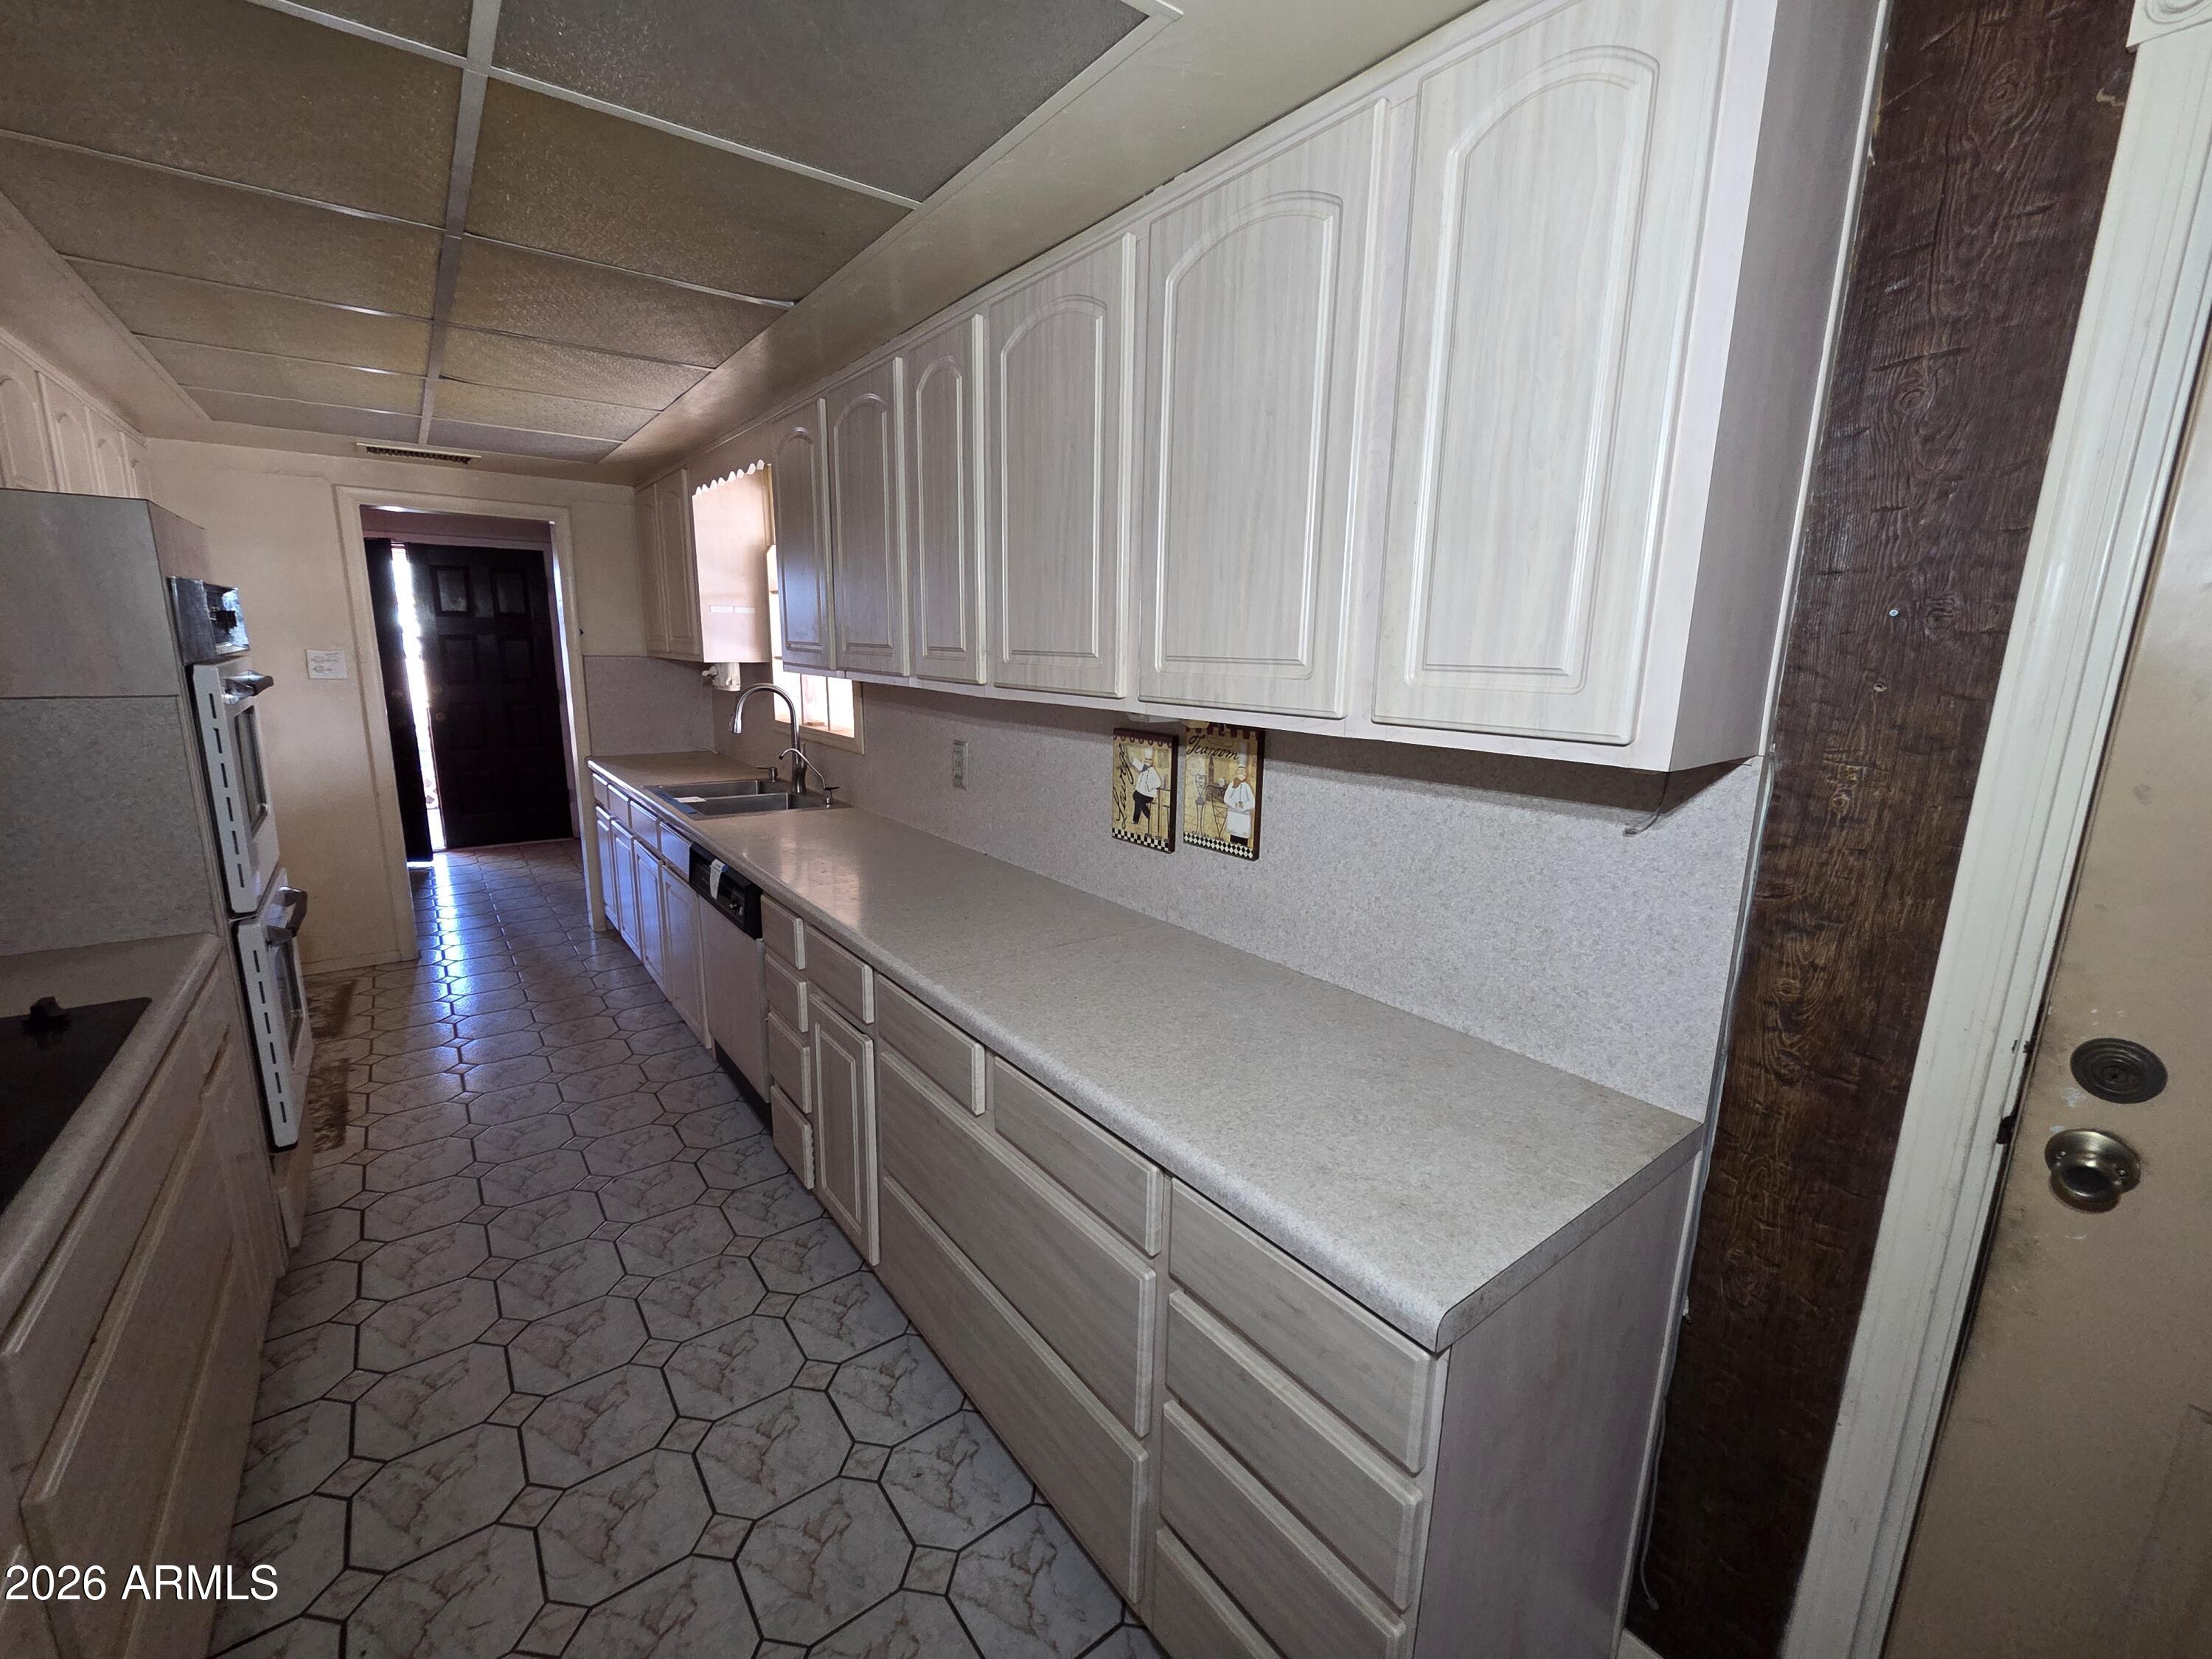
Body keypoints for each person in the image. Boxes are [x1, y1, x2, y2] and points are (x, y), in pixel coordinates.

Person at [1127, 745, 1164, 836]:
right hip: (1141, 793)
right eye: (1146, 760)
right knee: (1137, 799)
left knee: (1136, 797)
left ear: (1152, 761)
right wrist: (1131, 753)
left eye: (1149, 760)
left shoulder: (1152, 771)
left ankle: (1146, 812)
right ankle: (1136, 820)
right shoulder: (1143, 767)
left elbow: (1158, 783)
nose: (1147, 762)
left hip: (1148, 795)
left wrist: (1149, 787)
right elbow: (1135, 762)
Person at [1222, 759, 1256, 850]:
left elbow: (1253, 803)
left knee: (1243, 841)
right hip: (1234, 816)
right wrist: (1235, 804)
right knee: (1233, 840)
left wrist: (1244, 806)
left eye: (1243, 772)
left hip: (1244, 818)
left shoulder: (1247, 787)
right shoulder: (1232, 785)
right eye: (1240, 771)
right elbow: (1226, 798)